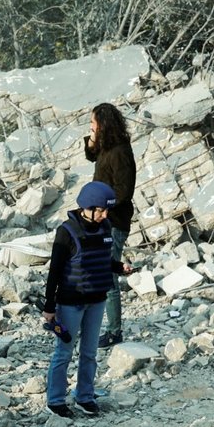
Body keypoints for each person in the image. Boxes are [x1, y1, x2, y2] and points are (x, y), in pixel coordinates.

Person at [42, 180, 129, 418]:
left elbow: (104, 261)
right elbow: (55, 271)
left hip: (97, 300)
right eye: (99, 210)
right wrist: (49, 307)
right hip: (70, 303)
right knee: (64, 352)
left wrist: (120, 266)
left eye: (106, 210)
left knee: (89, 352)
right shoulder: (66, 232)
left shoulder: (105, 227)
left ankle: (85, 396)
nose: (104, 215)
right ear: (85, 207)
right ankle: (56, 400)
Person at [85, 103, 136, 347]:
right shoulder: (106, 147)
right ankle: (103, 324)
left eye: (93, 123)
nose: (91, 126)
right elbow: (91, 154)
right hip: (101, 220)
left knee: (108, 276)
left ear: (103, 124)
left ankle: (115, 332)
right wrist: (92, 138)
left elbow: (124, 190)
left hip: (114, 221)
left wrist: (104, 207)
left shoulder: (120, 151)